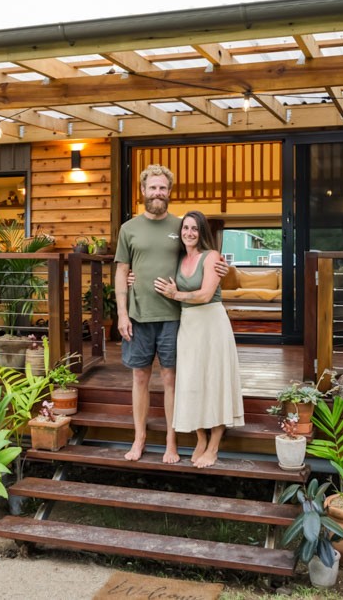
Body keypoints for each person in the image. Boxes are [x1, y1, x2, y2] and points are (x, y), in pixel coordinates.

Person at [114, 164, 228, 463]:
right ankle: (138, 439)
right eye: (152, 188)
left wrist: (224, 268)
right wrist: (122, 314)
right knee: (140, 377)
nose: (157, 193)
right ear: (143, 191)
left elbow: (200, 256)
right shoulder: (129, 229)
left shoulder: (180, 227)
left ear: (169, 192)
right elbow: (121, 271)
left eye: (163, 188)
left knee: (170, 379)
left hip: (175, 317)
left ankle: (171, 441)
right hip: (138, 316)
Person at [153, 210, 244, 468]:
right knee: (192, 381)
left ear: (202, 232)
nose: (189, 233)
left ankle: (213, 446)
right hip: (189, 326)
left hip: (211, 324)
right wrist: (131, 277)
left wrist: (175, 295)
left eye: (194, 229)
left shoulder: (212, 257)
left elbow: (205, 295)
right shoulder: (179, 259)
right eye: (186, 228)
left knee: (215, 381)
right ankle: (200, 438)